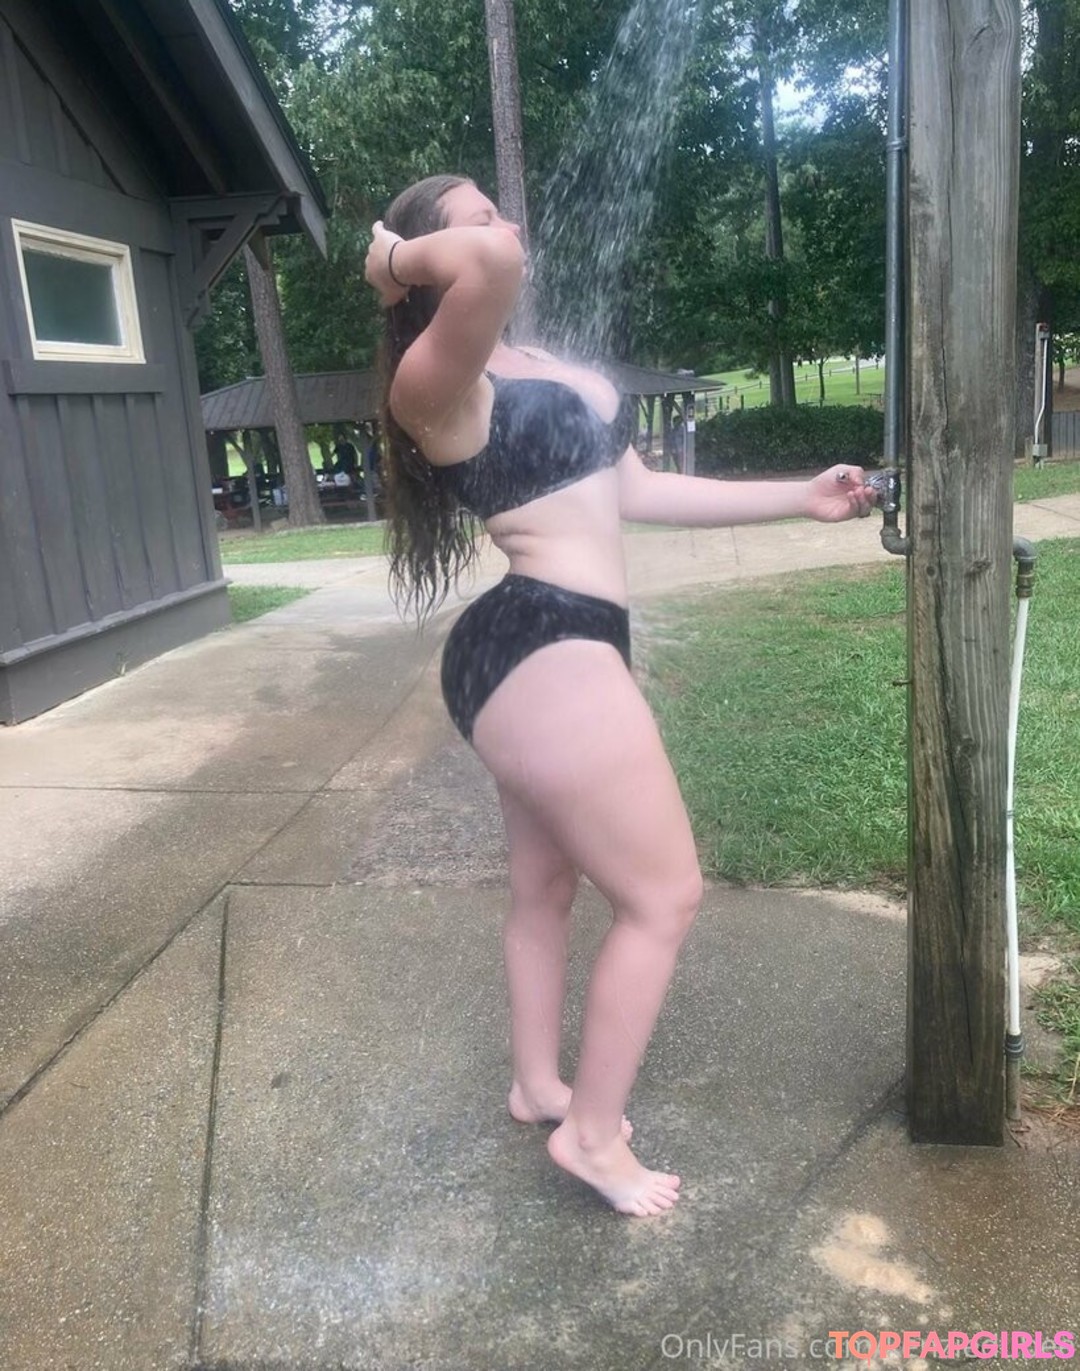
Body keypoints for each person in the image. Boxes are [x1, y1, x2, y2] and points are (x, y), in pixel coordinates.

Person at [365, 174, 876, 1218]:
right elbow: (492, 264)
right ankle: (592, 1136)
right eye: (476, 216)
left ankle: (537, 1085)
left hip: (554, 644)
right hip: (540, 637)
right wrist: (392, 263)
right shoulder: (434, 379)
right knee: (664, 894)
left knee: (545, 885)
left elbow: (636, 490)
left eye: (498, 209)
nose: (504, 225)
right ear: (428, 263)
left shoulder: (536, 363)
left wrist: (800, 499)